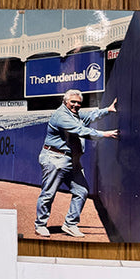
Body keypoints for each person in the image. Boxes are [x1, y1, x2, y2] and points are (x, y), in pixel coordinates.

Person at [35, 89, 117, 238]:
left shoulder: (75, 114)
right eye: (73, 102)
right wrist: (105, 134)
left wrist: (108, 110)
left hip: (71, 160)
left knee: (81, 191)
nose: (76, 105)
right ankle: (40, 225)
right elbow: (81, 130)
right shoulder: (61, 115)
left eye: (79, 102)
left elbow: (91, 115)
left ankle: (70, 224)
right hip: (55, 157)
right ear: (65, 101)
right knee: (48, 194)